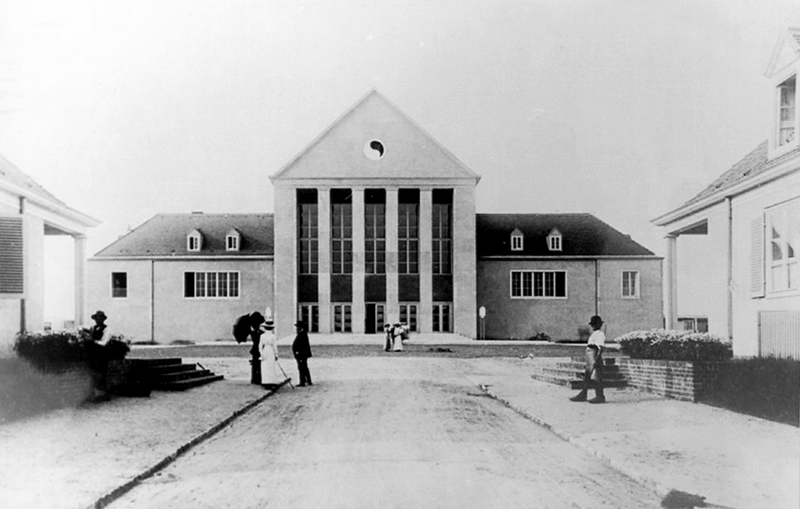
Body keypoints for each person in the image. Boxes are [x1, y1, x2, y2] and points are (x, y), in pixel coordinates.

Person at [570, 315, 606, 403]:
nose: (593, 326)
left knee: (596, 377)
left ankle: (600, 396)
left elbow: (600, 348)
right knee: (588, 377)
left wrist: (596, 360)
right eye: (592, 324)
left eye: (595, 324)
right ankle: (583, 394)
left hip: (595, 357)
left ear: (599, 324)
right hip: (590, 357)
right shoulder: (594, 334)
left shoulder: (600, 334)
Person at [259, 318, 282, 389]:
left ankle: (265, 382)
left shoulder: (262, 336)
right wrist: (276, 354)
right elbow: (275, 346)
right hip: (270, 351)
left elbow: (260, 346)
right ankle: (271, 381)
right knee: (271, 367)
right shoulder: (273, 336)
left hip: (265, 350)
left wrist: (261, 353)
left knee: (265, 367)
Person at [292, 321, 313, 386]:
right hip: (301, 354)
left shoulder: (302, 334)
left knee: (302, 368)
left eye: (297, 327)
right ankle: (307, 380)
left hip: (301, 354)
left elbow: (302, 345)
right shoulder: (302, 333)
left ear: (300, 327)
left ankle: (302, 382)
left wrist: (298, 352)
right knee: (304, 367)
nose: (296, 328)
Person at [248, 311, 266, 385]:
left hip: (259, 350)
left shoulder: (260, 332)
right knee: (255, 365)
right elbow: (257, 341)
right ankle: (255, 379)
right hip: (256, 350)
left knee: (259, 365)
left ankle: (259, 378)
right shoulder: (254, 333)